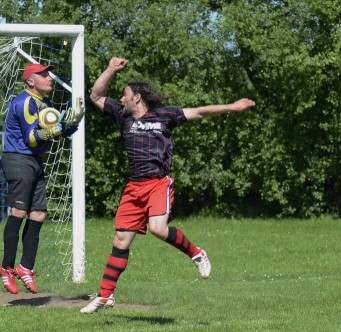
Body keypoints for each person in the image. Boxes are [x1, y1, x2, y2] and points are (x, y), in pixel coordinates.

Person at [80, 57, 256, 314]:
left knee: (158, 229)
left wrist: (232, 106)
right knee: (120, 240)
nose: (121, 99)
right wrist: (111, 70)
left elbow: (200, 111)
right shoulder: (123, 117)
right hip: (134, 187)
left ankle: (197, 253)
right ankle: (105, 295)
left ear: (137, 97)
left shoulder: (166, 115)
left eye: (125, 95)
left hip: (157, 184)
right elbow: (95, 95)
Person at [0, 63, 79, 294]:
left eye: (49, 73)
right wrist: (56, 130)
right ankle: (6, 267)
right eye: (43, 74)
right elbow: (32, 138)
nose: (49, 77)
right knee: (19, 212)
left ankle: (26, 267)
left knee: (39, 213)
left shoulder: (46, 103)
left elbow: (58, 133)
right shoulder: (25, 101)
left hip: (33, 161)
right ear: (30, 81)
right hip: (17, 158)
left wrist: (72, 124)